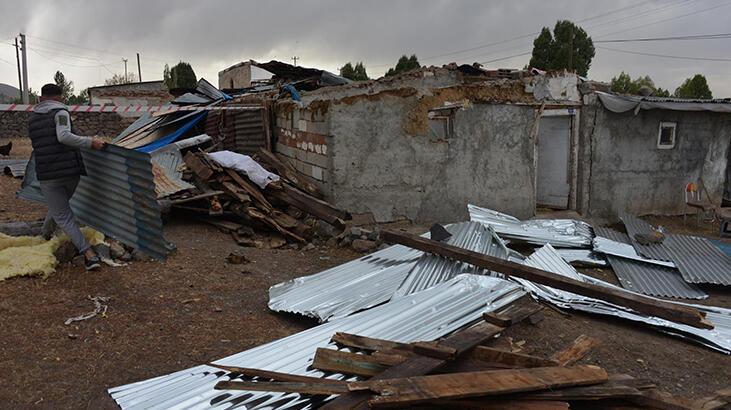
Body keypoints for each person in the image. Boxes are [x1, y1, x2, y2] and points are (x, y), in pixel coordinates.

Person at [29, 83, 106, 271]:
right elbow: (63, 136)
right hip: (69, 171)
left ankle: (87, 253)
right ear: (58, 97)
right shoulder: (60, 112)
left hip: (47, 172)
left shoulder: (31, 118)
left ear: (41, 97)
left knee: (61, 212)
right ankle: (87, 252)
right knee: (61, 211)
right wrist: (90, 142)